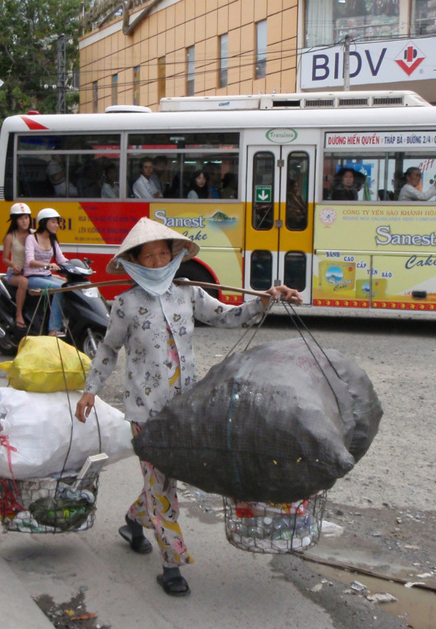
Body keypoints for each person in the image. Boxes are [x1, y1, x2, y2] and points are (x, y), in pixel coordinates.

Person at [74, 218, 301, 598]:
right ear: (134, 262)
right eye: (149, 256)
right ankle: (172, 565)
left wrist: (265, 298)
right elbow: (109, 349)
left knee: (163, 479)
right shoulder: (126, 304)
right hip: (145, 414)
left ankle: (133, 521)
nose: (158, 260)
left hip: (185, 409)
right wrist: (89, 390)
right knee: (162, 486)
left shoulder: (188, 293)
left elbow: (228, 316)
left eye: (164, 252)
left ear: (174, 255)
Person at [23, 207, 68, 336]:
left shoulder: (53, 240)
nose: (57, 225)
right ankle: (53, 328)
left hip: (47, 277)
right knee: (60, 288)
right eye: (53, 222)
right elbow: (30, 261)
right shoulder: (32, 238)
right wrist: (48, 266)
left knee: (69, 286)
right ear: (44, 222)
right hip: (32, 277)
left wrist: (77, 266)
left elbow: (62, 259)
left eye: (57, 222)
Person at [3, 203, 33, 328]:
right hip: (14, 274)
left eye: (26, 217)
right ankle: (19, 314)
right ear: (15, 220)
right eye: (21, 218)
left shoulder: (34, 234)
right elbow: (5, 259)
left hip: (32, 271)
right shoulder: (10, 237)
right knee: (23, 282)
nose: (24, 221)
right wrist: (14, 265)